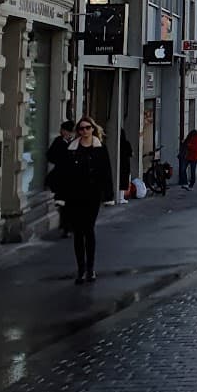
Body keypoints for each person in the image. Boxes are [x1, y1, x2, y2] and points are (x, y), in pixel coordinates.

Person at [56, 118, 114, 283]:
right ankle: (81, 269)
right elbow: (63, 173)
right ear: (78, 131)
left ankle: (90, 268)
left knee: (88, 229)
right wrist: (61, 196)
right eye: (81, 129)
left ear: (93, 129)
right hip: (74, 195)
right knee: (78, 232)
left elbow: (106, 173)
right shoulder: (71, 149)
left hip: (92, 195)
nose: (85, 131)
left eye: (88, 128)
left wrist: (108, 196)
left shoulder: (100, 149)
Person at [45, 121, 74, 236]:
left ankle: (69, 226)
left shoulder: (76, 142)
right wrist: (60, 160)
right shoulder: (58, 141)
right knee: (63, 203)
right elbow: (49, 155)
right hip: (61, 177)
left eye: (63, 129)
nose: (61, 131)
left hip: (73, 177)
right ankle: (66, 226)